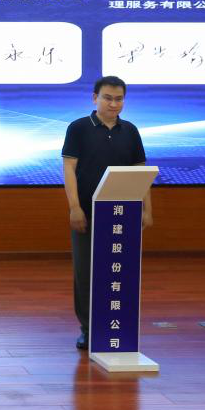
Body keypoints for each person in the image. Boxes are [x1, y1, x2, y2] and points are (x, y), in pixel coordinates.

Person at [61, 76, 152, 351]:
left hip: (123, 212)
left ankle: (117, 325)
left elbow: (140, 170)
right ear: (95, 98)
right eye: (108, 98)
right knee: (85, 272)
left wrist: (147, 209)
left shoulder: (131, 130)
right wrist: (74, 207)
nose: (114, 104)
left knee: (120, 269)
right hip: (88, 212)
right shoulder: (78, 128)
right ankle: (88, 328)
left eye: (119, 99)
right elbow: (69, 169)